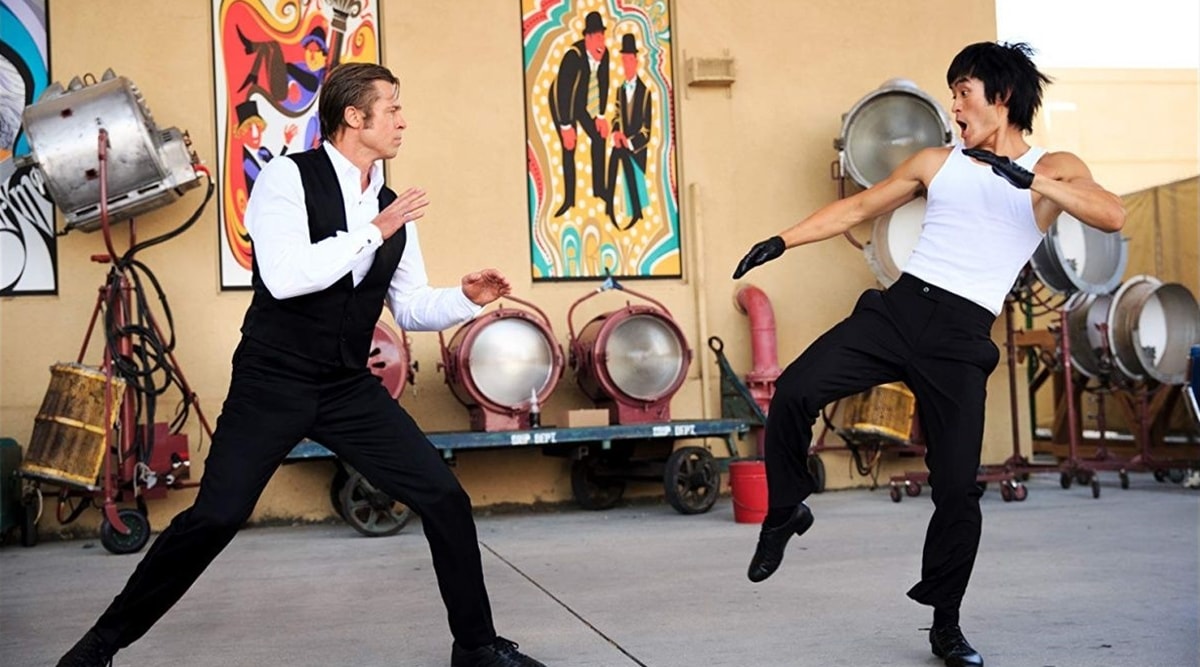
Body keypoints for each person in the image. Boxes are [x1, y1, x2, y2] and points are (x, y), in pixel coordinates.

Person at [57, 62, 546, 667]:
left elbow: (410, 306)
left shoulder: (389, 206)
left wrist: (465, 299)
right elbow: (286, 277)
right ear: (354, 117)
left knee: (444, 497)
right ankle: (100, 645)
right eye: (392, 107)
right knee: (215, 517)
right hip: (273, 380)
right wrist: (374, 230)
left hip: (346, 386)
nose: (402, 120)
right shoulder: (287, 178)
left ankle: (475, 648)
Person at [731, 42, 1124, 667]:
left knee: (956, 490)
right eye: (953, 94)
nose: (954, 106)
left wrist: (1031, 181)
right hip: (900, 311)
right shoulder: (938, 161)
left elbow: (1111, 213)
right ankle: (785, 509)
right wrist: (782, 241)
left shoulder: (1053, 167)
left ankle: (946, 626)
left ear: (1001, 96)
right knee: (797, 389)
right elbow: (859, 206)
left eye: (963, 92)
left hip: (962, 339)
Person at [548, 10, 610, 217]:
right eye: (598, 37)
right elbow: (562, 92)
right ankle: (569, 199)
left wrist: (600, 115)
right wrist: (566, 127)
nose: (602, 42)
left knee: (599, 136)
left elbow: (604, 83)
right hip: (563, 103)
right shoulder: (572, 57)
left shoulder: (604, 54)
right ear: (588, 38)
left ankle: (600, 189)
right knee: (570, 146)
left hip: (583, 101)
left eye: (603, 36)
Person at [605, 33, 652, 231]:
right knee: (613, 166)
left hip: (636, 151)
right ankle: (609, 207)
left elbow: (647, 130)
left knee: (634, 187)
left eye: (629, 60)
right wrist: (616, 133)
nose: (626, 65)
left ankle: (636, 213)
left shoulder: (645, 92)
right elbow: (616, 115)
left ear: (636, 61)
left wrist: (630, 142)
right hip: (621, 146)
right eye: (623, 60)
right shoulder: (620, 90)